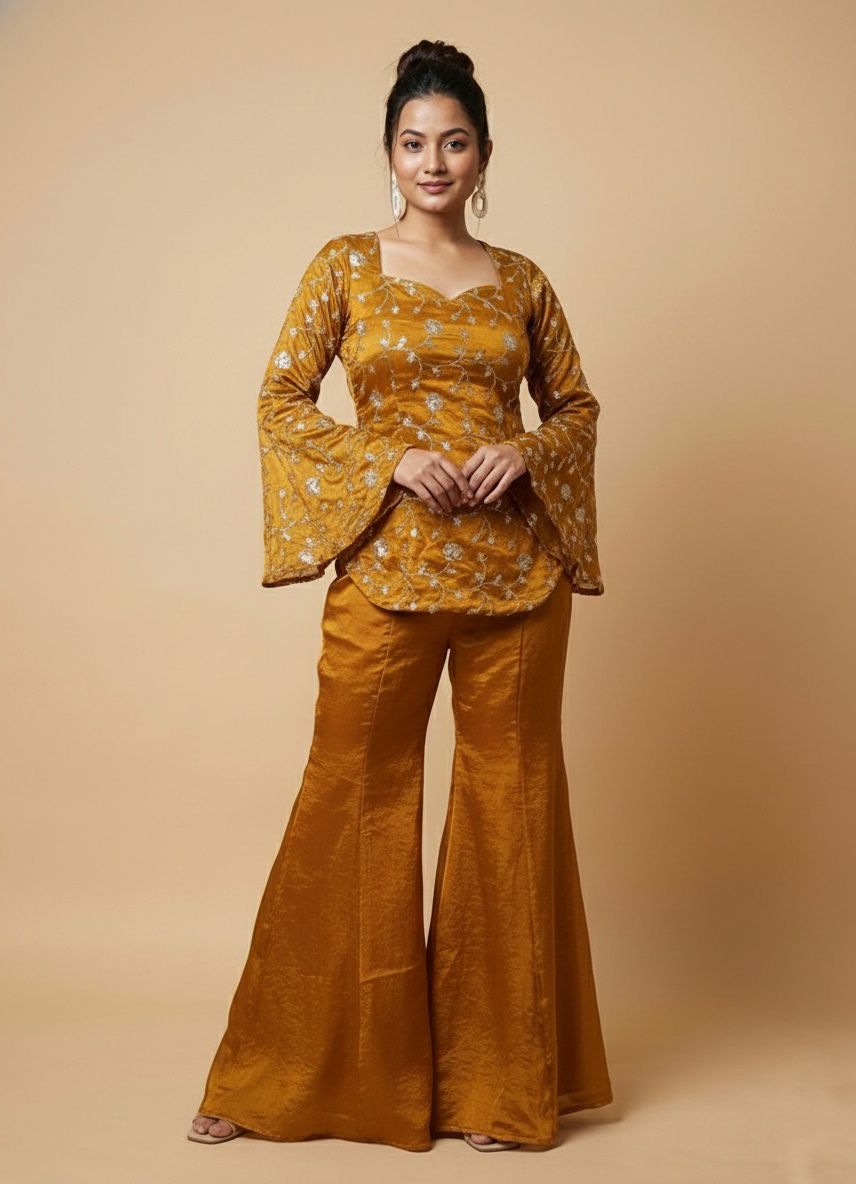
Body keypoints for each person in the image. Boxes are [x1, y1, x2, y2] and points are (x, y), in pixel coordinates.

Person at [188, 37, 613, 1154]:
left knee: (510, 809)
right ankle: (282, 1075)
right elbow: (282, 399)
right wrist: (387, 458)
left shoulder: (522, 281)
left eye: (454, 143)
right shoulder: (344, 266)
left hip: (517, 582)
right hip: (385, 572)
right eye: (415, 142)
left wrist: (528, 453)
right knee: (352, 799)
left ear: (483, 156)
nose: (434, 161)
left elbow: (575, 408)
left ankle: (499, 1087)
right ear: (389, 153)